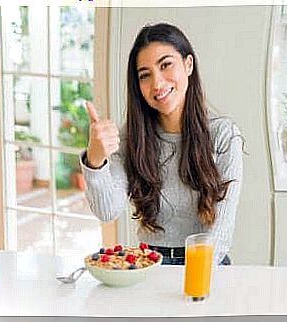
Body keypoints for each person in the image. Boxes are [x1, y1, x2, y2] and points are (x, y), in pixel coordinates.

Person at [80, 22, 243, 266]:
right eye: (145, 75)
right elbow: (107, 211)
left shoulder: (223, 135)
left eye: (165, 65)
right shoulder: (131, 139)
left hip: (208, 264)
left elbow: (221, 229)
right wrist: (95, 160)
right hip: (150, 264)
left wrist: (194, 279)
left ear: (188, 65)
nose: (157, 83)